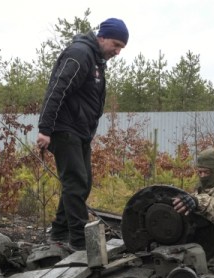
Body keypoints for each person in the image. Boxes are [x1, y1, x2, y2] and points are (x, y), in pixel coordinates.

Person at [36, 18, 129, 251]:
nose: (117, 52)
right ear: (102, 37)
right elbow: (58, 89)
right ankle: (78, 241)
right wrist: (45, 129)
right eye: (116, 45)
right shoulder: (80, 54)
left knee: (82, 182)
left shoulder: (96, 60)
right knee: (75, 181)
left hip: (80, 132)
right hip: (64, 128)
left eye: (121, 48)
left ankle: (59, 231)